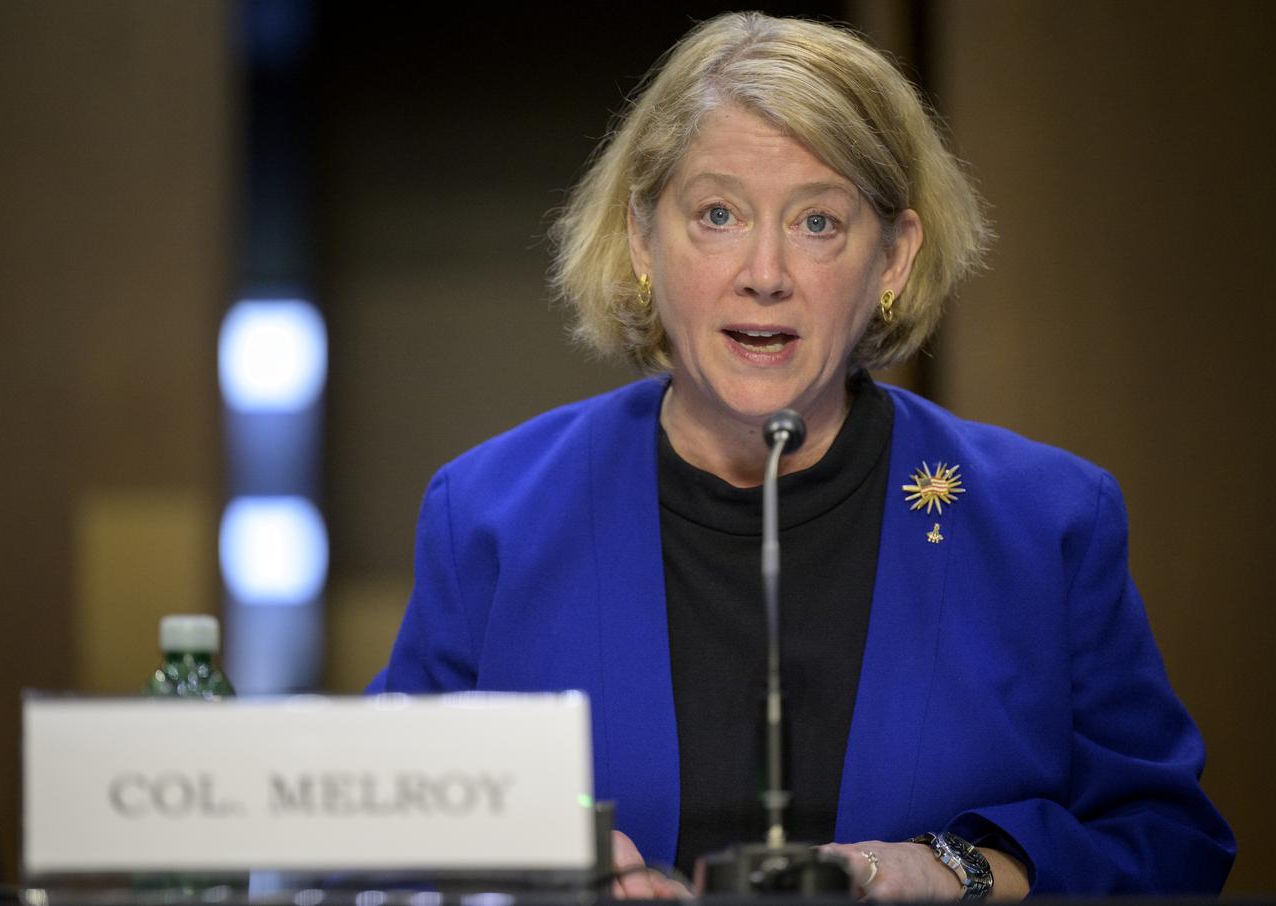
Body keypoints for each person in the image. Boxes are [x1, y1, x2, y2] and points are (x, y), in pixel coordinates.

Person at [371, 12, 1234, 899]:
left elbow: (1168, 844)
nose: (766, 271)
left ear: (893, 257)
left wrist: (954, 871)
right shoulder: (491, 512)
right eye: (717, 214)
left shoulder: (1047, 521)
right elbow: (370, 832)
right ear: (641, 239)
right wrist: (531, 868)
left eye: (819, 222)